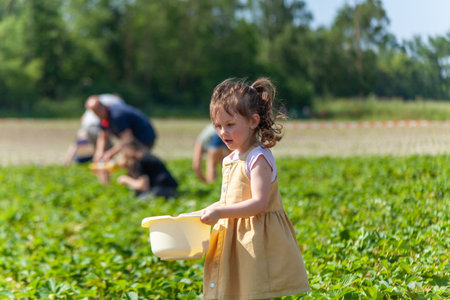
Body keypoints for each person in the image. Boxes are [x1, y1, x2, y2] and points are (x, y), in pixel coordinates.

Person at [186, 78, 310, 299]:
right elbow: (227, 202)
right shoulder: (230, 159)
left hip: (256, 240)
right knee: (236, 291)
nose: (223, 132)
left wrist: (220, 213)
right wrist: (197, 215)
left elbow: (259, 202)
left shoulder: (258, 157)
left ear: (253, 121)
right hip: (237, 239)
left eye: (230, 125)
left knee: (256, 291)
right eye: (218, 126)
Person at [85, 95, 157, 162]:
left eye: (97, 110)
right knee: (128, 158)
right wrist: (99, 153)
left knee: (135, 160)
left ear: (102, 106)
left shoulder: (116, 116)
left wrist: (110, 153)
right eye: (94, 111)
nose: (97, 113)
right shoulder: (104, 117)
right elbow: (103, 135)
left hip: (144, 137)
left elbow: (127, 140)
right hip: (133, 139)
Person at [64, 94, 125, 165]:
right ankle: (107, 167)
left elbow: (83, 118)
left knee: (78, 144)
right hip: (96, 125)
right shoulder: (117, 101)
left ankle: (66, 163)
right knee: (107, 149)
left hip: (86, 125)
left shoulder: (99, 99)